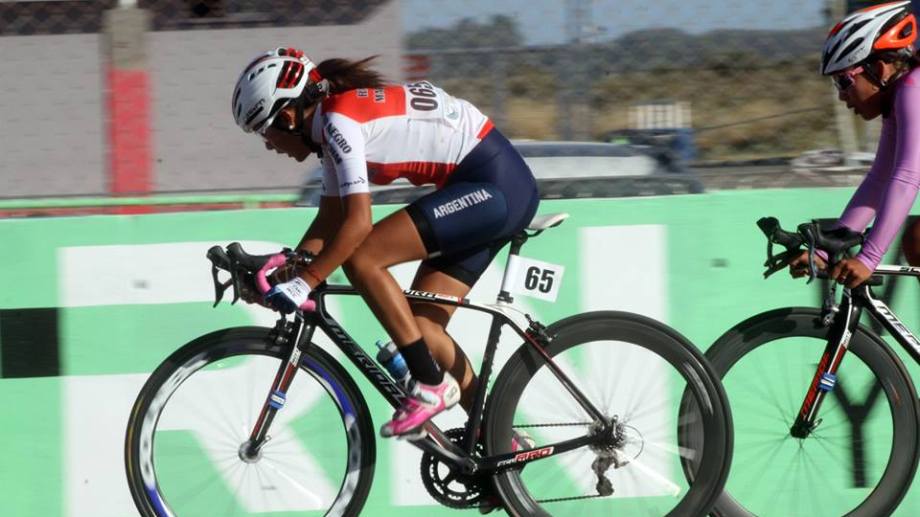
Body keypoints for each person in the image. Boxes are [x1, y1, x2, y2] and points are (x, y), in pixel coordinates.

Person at [231, 47, 540, 438]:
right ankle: (497, 436)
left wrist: (304, 281)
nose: (268, 145)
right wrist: (285, 269)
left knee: (363, 258)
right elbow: (330, 221)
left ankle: (430, 385)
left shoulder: (338, 122)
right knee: (423, 328)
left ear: (288, 117)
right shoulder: (329, 128)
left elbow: (358, 224)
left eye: (264, 132)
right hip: (486, 188)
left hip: (496, 188)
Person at [789, 1, 920, 284]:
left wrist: (869, 258)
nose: (841, 95)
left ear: (879, 69)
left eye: (844, 81)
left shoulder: (913, 88)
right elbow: (879, 180)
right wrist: (823, 252)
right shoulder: (898, 97)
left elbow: (908, 176)